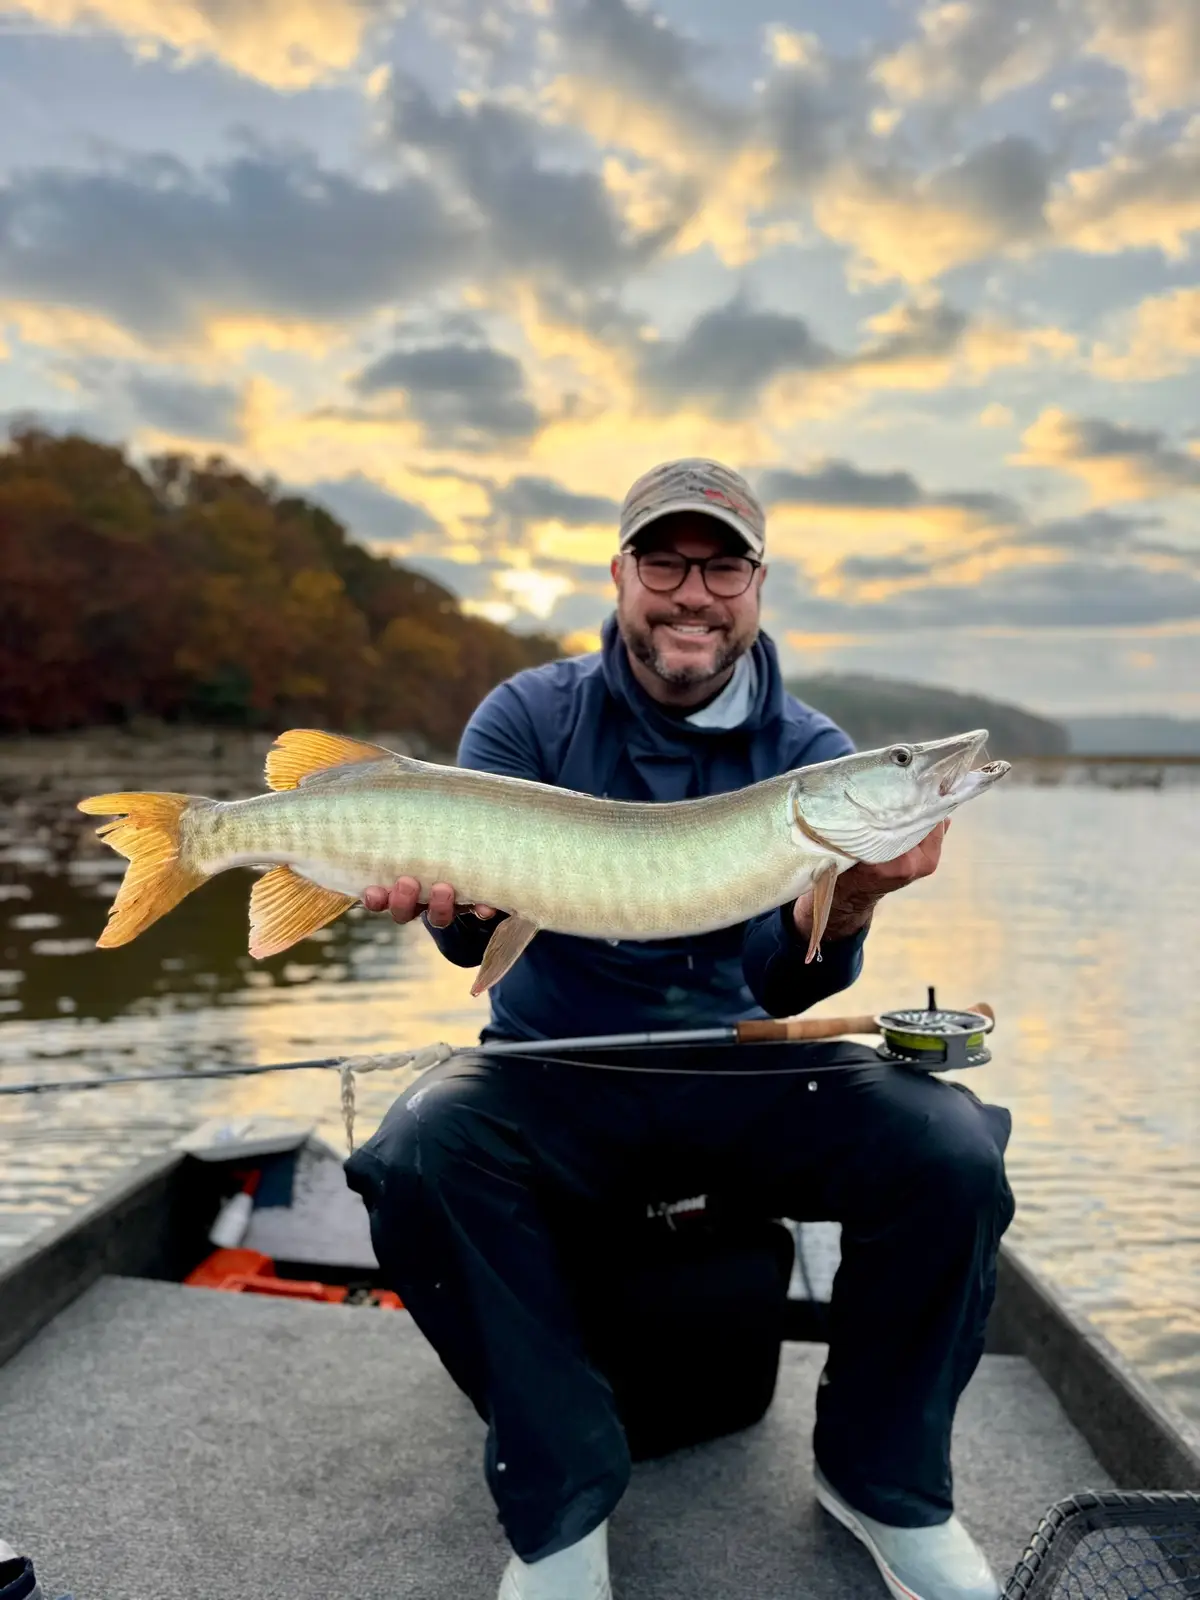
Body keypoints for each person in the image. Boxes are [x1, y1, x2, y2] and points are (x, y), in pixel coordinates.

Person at [344, 459, 1014, 1600]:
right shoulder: (526, 715)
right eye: (665, 561)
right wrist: (448, 914)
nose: (692, 594)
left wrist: (851, 894)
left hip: (739, 1068)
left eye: (723, 566)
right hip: (551, 1070)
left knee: (951, 1149)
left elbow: (787, 981)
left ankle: (883, 1482)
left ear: (757, 586)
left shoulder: (811, 753)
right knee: (414, 1154)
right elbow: (476, 937)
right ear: (620, 574)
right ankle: (561, 1513)